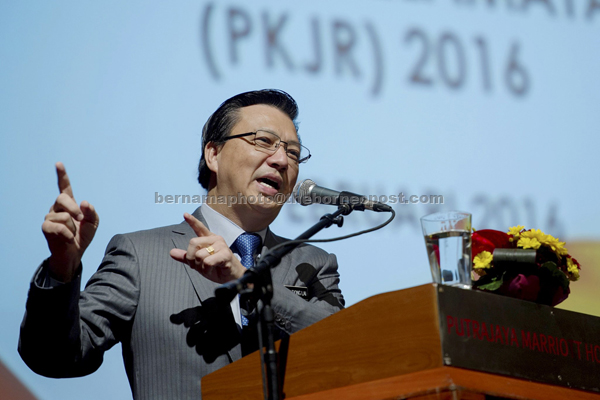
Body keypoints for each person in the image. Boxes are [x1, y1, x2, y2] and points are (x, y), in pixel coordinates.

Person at [19, 89, 344, 400]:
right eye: (264, 142)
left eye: (293, 152)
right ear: (213, 154)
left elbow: (344, 351)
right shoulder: (141, 255)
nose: (281, 160)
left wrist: (249, 281)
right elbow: (56, 358)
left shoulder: (312, 263)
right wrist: (62, 267)